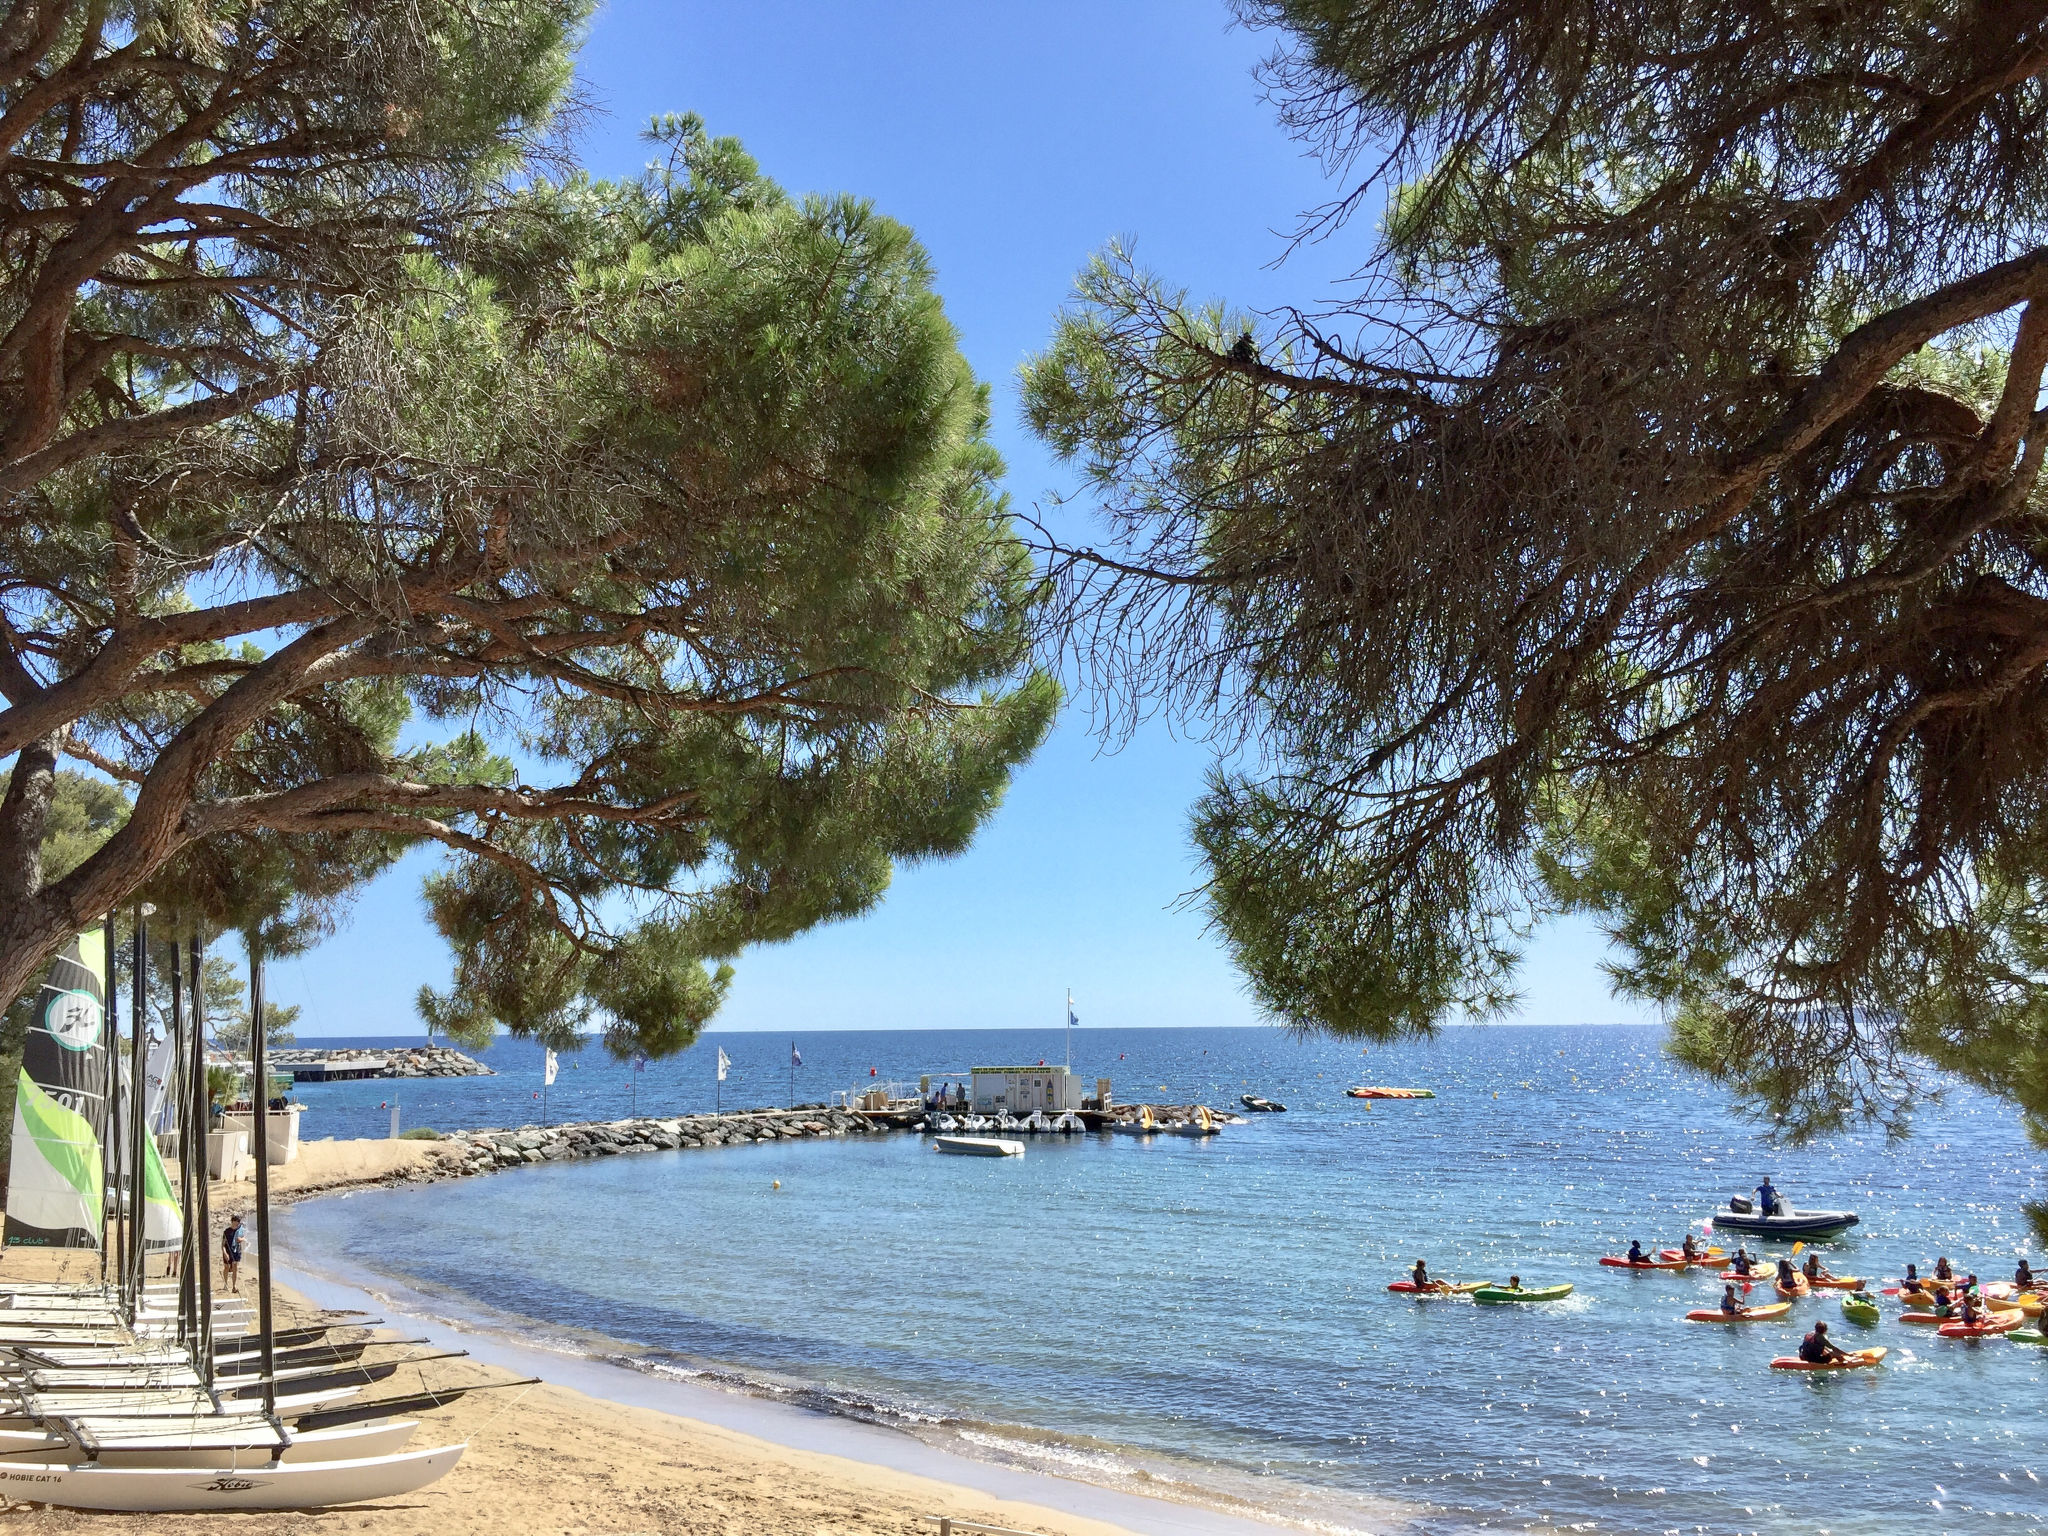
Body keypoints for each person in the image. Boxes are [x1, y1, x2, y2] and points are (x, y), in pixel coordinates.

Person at [221, 1214, 245, 1295]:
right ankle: (225, 1284)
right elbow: (223, 1245)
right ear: (232, 1222)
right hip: (227, 1251)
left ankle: (234, 1286)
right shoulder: (227, 1231)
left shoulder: (240, 1230)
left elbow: (243, 1237)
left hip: (236, 1251)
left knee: (234, 1268)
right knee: (226, 1267)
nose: (237, 1223)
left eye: (238, 1222)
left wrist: (241, 1239)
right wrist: (225, 1253)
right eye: (235, 1222)